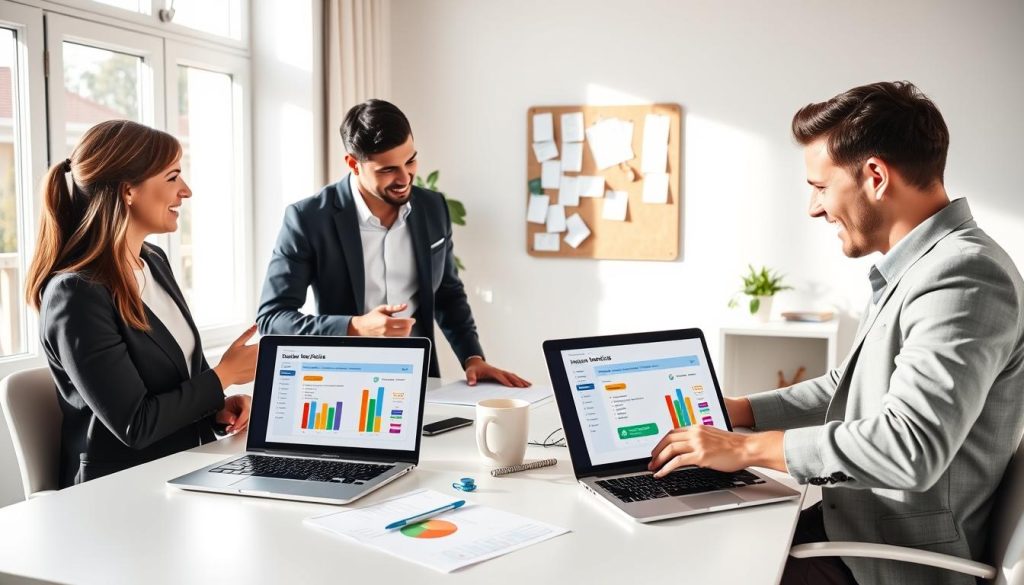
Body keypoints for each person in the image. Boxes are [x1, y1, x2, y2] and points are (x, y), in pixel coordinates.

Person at [648, 82, 1024, 585]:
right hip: (856, 528)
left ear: (874, 176)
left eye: (821, 187)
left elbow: (909, 447)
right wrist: (740, 411)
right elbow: (845, 386)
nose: (814, 208)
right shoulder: (921, 267)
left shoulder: (964, 276)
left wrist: (744, 449)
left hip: (889, 559)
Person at [26, 120, 259, 487]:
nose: (186, 191)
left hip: (182, 470)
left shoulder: (153, 261)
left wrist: (216, 409)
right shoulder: (75, 295)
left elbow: (171, 383)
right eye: (172, 177)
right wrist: (224, 375)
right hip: (119, 491)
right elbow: (136, 424)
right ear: (128, 191)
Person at [257, 99, 529, 387]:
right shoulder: (309, 218)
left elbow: (447, 293)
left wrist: (473, 357)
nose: (405, 177)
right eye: (387, 170)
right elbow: (273, 319)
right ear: (353, 164)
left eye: (410, 160)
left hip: (419, 380)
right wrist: (355, 327)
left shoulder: (433, 207)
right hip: (341, 384)